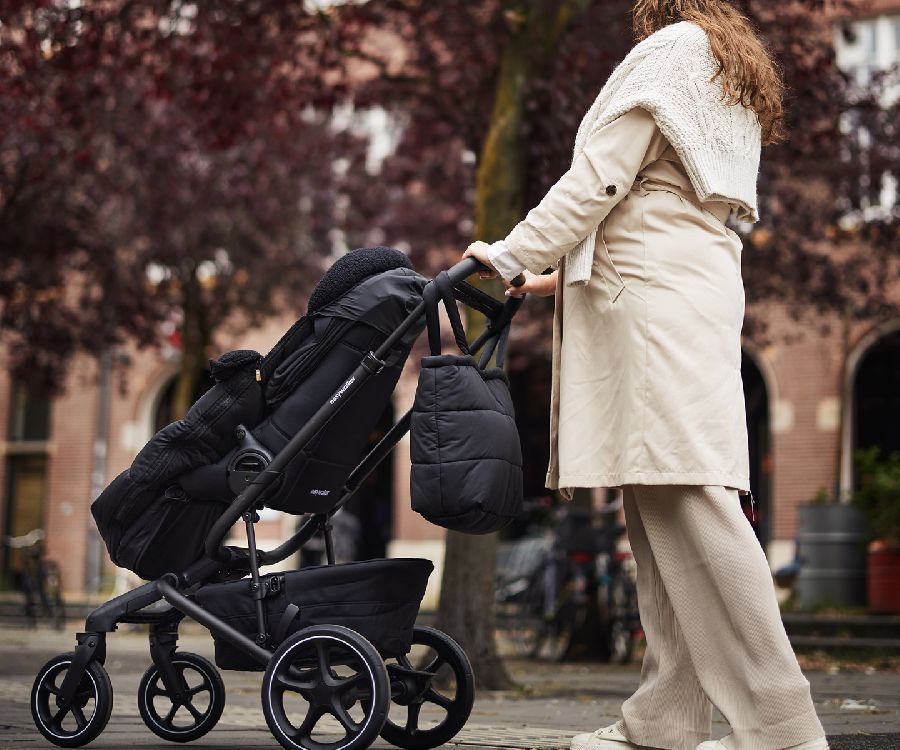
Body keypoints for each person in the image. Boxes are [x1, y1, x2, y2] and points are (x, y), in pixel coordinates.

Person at [462, 2, 828, 750]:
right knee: (663, 498)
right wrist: (551, 278)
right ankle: (666, 719)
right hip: (693, 286)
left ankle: (785, 727)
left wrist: (509, 253)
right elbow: (667, 204)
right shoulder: (725, 67)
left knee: (690, 496)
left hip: (651, 300)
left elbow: (601, 182)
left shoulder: (669, 52)